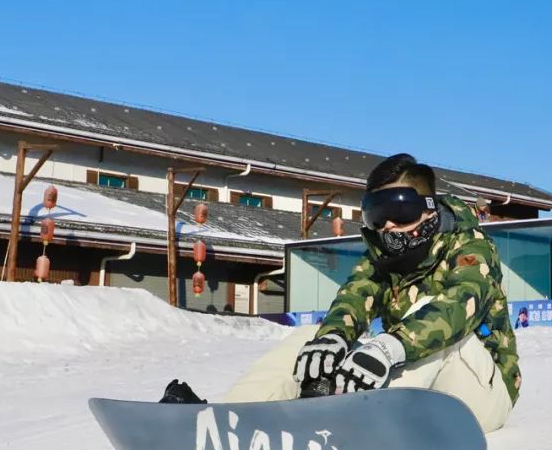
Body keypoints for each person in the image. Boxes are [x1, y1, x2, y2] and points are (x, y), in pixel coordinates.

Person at [161, 153, 521, 433]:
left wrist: (389, 346)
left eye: (399, 209)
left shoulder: (471, 245)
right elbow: (354, 297)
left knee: (429, 319)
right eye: (377, 215)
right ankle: (227, 421)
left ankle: (366, 425)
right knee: (310, 337)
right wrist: (333, 337)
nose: (388, 225)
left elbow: (459, 304)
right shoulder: (383, 254)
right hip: (420, 392)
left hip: (481, 391)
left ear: (428, 209)